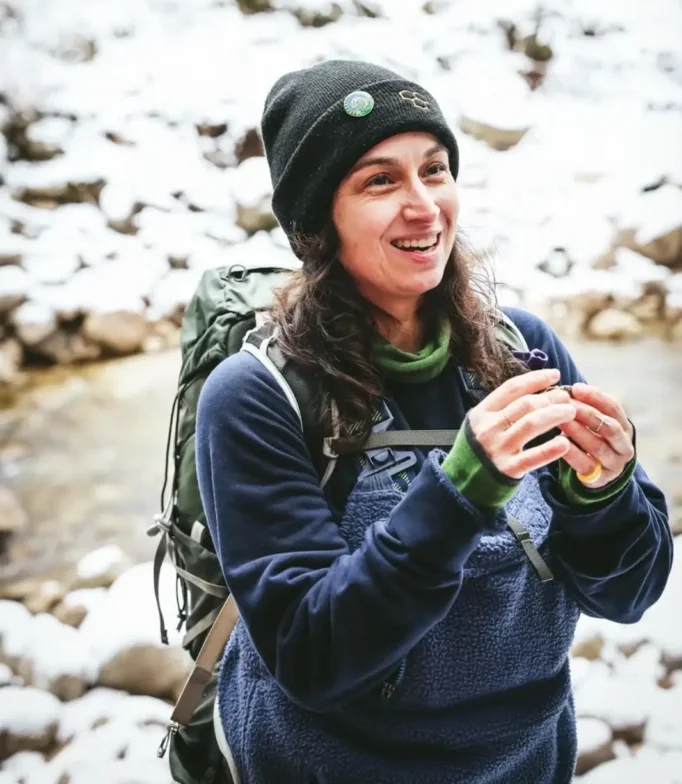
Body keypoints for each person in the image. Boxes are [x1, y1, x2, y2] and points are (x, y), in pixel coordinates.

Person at [195, 59, 672, 784]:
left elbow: (629, 594)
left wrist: (604, 495)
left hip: (526, 763)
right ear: (319, 218)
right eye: (380, 181)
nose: (423, 206)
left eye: (435, 170)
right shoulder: (258, 396)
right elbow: (312, 659)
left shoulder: (523, 352)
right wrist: (458, 494)